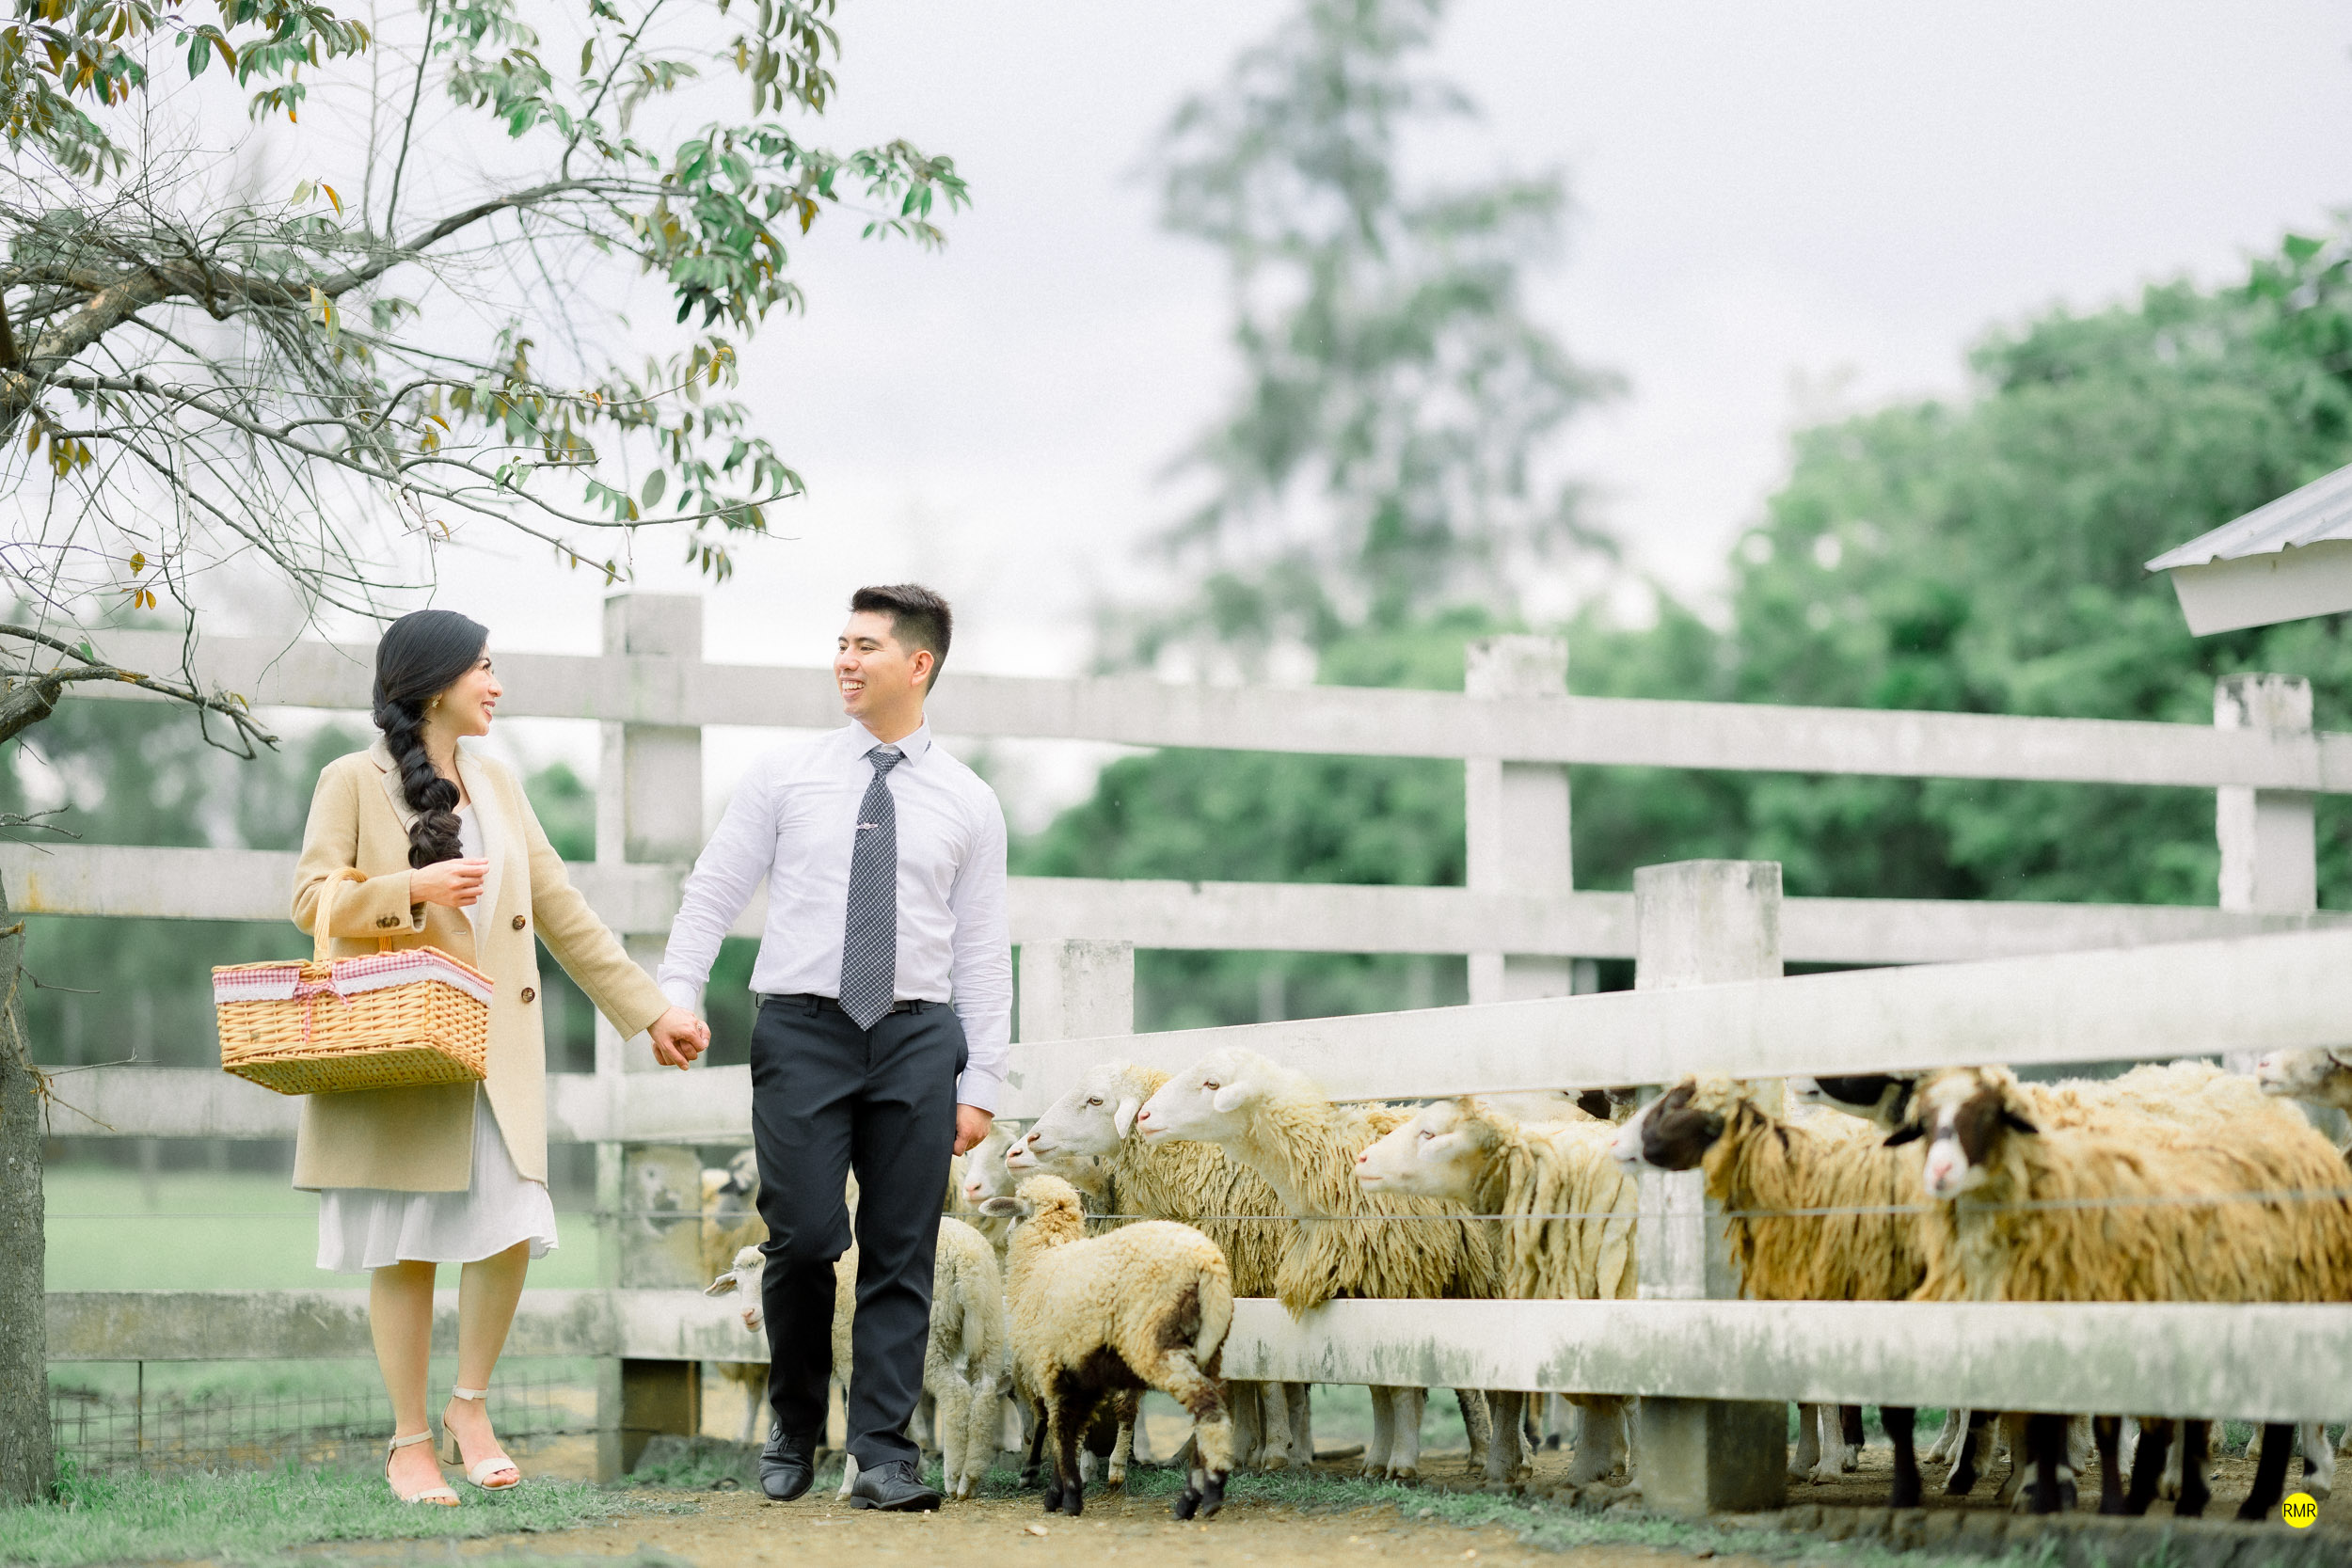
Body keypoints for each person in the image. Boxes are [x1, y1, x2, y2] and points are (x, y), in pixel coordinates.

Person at [292, 609, 709, 1506]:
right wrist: (412, 888)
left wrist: (649, 1011)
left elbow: (562, 908)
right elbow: (310, 898)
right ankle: (410, 1443)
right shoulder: (351, 779)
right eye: (483, 667)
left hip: (496, 1052)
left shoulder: (499, 784)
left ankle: (469, 1407)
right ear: (434, 682)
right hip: (403, 1053)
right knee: (406, 1245)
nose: (497, 684)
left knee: (514, 1223)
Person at [658, 584, 1010, 1513]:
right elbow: (713, 887)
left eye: (866, 645)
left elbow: (982, 949)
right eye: (841, 643)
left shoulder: (970, 802)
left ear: (918, 664)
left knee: (902, 1247)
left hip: (917, 1035)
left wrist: (982, 1078)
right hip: (802, 1029)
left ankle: (883, 1451)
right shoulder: (785, 774)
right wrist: (677, 989)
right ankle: (794, 1419)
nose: (845, 660)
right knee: (807, 1235)